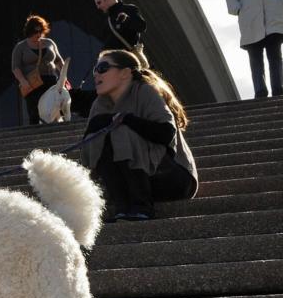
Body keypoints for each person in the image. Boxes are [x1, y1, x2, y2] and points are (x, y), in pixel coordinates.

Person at [79, 50, 198, 221]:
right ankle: (121, 206)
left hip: (171, 179)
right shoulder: (100, 104)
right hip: (130, 182)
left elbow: (166, 133)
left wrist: (126, 119)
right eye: (95, 69)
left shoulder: (145, 92)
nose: (96, 73)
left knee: (123, 131)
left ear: (125, 73)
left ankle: (142, 206)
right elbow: (89, 147)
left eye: (103, 67)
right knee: (101, 137)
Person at [11, 15, 62, 126]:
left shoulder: (49, 43)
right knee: (34, 111)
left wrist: (63, 77)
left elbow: (59, 61)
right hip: (32, 83)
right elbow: (15, 67)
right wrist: (23, 81)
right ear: (29, 31)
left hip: (50, 80)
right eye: (35, 32)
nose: (38, 34)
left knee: (53, 107)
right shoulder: (21, 47)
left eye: (41, 31)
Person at [94, 0, 147, 65]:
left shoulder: (129, 9)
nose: (98, 7)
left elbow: (142, 27)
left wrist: (127, 20)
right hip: (119, 63)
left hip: (134, 62)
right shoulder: (107, 22)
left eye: (99, 2)